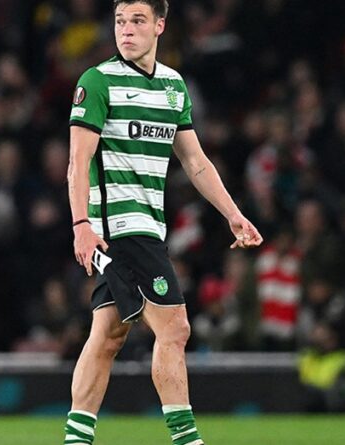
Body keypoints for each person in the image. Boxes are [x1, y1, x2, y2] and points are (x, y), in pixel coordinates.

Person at [64, 2, 263, 444]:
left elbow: (195, 161)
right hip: (121, 226)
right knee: (174, 328)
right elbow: (78, 160)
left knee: (108, 334)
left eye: (137, 21)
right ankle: (187, 439)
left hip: (148, 226)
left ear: (160, 25)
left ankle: (76, 439)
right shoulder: (97, 81)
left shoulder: (173, 86)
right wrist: (81, 223)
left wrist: (233, 214)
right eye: (120, 21)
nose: (126, 30)